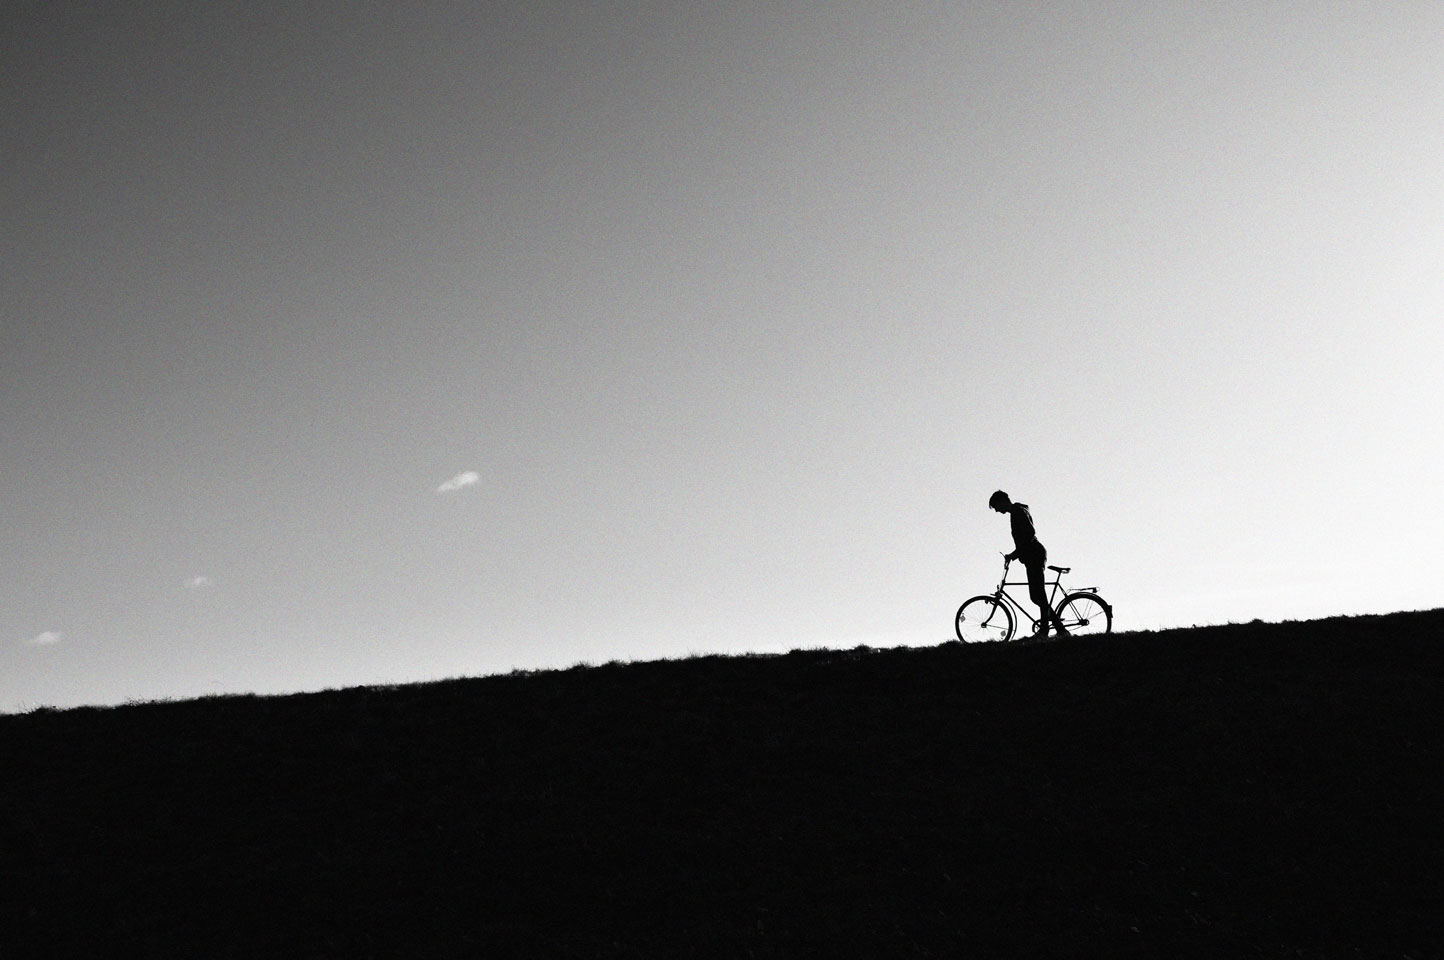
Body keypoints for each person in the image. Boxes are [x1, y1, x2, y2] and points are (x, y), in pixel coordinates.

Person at [989, 490, 1070, 640]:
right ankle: (1058, 629)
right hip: (1032, 555)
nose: (997, 510)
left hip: (1034, 554)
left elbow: (1029, 533)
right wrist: (1016, 554)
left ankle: (1047, 630)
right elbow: (1024, 538)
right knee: (1037, 596)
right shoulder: (1017, 511)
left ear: (1003, 501)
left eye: (996, 506)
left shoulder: (1017, 512)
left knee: (1038, 595)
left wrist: (1015, 554)